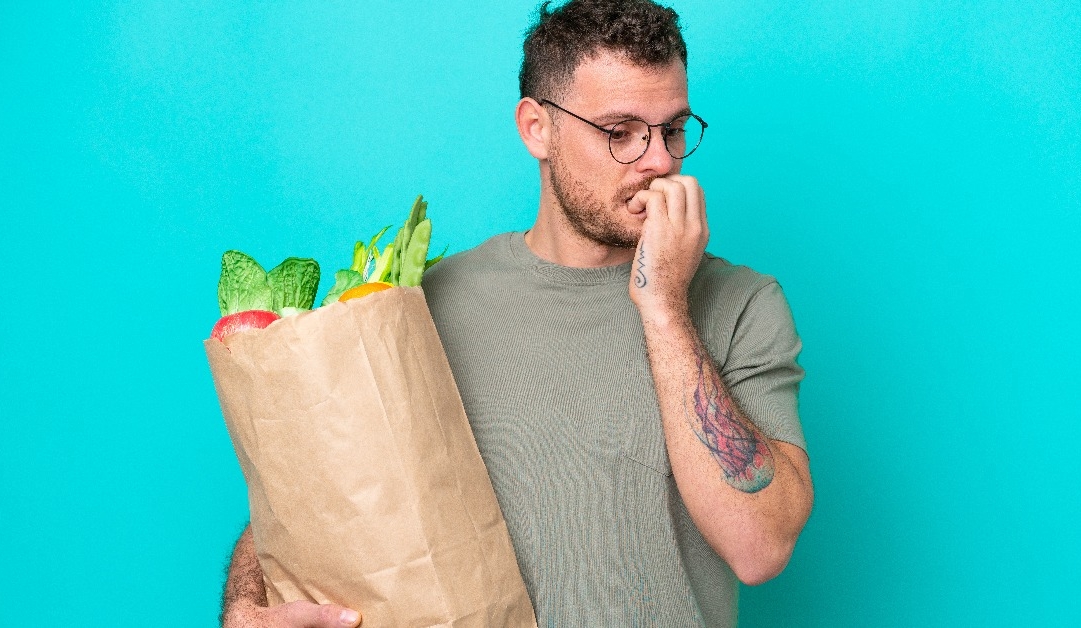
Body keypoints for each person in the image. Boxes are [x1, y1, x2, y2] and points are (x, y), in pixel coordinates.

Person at [220, 1, 813, 626]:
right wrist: (245, 607)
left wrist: (664, 306)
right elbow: (315, 496)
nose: (660, 161)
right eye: (620, 133)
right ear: (537, 128)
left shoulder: (742, 303)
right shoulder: (427, 304)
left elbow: (760, 546)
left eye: (672, 129)